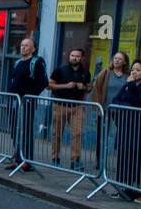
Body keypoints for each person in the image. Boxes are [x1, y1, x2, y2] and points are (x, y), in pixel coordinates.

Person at [111, 60, 141, 205]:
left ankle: (136, 188)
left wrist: (130, 87)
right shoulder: (128, 84)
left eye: (138, 70)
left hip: (139, 127)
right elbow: (116, 100)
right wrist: (125, 102)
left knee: (136, 157)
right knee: (124, 155)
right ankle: (125, 186)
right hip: (125, 125)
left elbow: (138, 102)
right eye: (132, 70)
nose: (134, 73)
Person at [6, 38, 48, 171]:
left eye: (26, 46)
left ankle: (26, 161)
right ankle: (17, 156)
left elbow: (43, 82)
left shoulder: (36, 62)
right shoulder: (18, 62)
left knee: (25, 131)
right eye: (22, 45)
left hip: (26, 103)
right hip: (13, 101)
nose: (23, 48)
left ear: (33, 49)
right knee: (14, 129)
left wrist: (30, 96)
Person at [47, 48, 91, 171]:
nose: (74, 58)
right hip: (60, 105)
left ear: (82, 58)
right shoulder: (60, 70)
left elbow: (89, 87)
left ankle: (75, 160)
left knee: (77, 133)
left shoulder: (85, 72)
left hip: (77, 106)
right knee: (57, 133)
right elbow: (49, 85)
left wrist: (84, 87)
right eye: (72, 55)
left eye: (77, 56)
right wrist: (65, 86)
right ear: (69, 56)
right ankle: (55, 158)